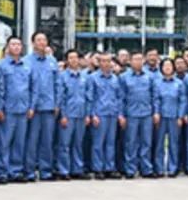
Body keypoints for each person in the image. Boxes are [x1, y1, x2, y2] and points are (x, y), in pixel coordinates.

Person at [0, 37, 30, 184]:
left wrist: (30, 106)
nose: (16, 47)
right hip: (7, 110)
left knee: (19, 142)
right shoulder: (2, 66)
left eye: (18, 44)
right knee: (4, 142)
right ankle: (2, 171)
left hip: (23, 109)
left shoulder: (26, 66)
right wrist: (0, 107)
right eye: (13, 44)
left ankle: (16, 171)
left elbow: (31, 87)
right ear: (7, 47)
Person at [25, 32, 58, 182]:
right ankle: (29, 171)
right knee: (32, 141)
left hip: (49, 106)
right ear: (33, 43)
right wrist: (29, 106)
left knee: (47, 141)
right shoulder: (26, 61)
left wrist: (57, 104)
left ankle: (46, 171)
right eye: (38, 40)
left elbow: (57, 83)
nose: (42, 42)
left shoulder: (52, 61)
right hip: (33, 108)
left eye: (44, 40)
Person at [120, 51, 157, 178]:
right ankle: (130, 169)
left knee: (146, 142)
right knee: (131, 142)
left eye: (140, 59)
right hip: (131, 114)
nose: (138, 62)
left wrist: (155, 112)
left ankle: (146, 169)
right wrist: (121, 115)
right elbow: (121, 98)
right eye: (135, 59)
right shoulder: (124, 77)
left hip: (147, 114)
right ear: (130, 61)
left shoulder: (150, 77)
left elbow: (154, 96)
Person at [87, 52, 122, 179]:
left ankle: (109, 168)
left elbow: (119, 97)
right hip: (99, 114)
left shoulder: (115, 79)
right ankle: (98, 168)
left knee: (111, 143)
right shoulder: (93, 78)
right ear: (99, 62)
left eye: (108, 61)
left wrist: (119, 114)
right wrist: (92, 114)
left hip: (112, 113)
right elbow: (90, 97)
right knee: (98, 143)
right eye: (103, 61)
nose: (106, 64)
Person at [56, 50, 90, 180]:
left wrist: (87, 114)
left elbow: (88, 97)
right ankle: (64, 170)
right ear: (67, 60)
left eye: (76, 57)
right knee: (64, 144)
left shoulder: (84, 77)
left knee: (78, 143)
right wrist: (63, 115)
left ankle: (77, 169)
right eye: (71, 58)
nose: (74, 60)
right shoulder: (62, 77)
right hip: (68, 114)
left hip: (81, 114)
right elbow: (61, 97)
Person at [153, 57, 185, 177]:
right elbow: (155, 99)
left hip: (174, 116)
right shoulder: (157, 83)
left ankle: (172, 168)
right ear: (161, 68)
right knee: (159, 144)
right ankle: (159, 168)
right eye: (165, 66)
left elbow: (182, 101)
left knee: (173, 144)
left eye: (169, 66)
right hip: (161, 117)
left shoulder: (179, 83)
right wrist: (156, 113)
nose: (167, 68)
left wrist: (180, 116)